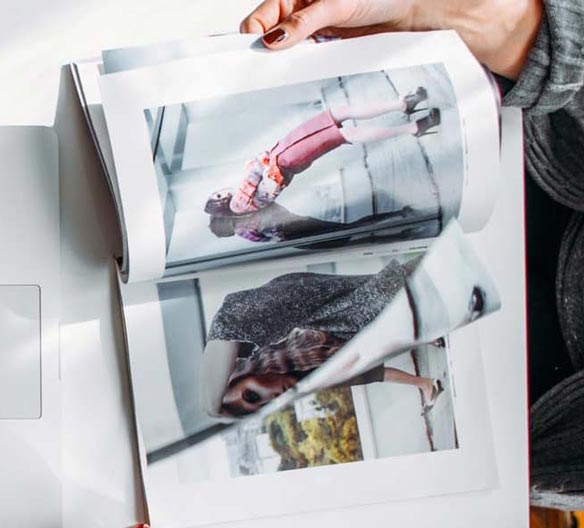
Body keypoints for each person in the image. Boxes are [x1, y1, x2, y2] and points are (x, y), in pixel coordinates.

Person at [238, 0, 583, 509]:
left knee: (348, 137)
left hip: (498, 422)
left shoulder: (298, 353)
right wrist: (469, 16)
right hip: (515, 115)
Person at [197, 259, 446, 417]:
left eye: (252, 394)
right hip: (319, 313)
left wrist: (213, 409)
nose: (270, 398)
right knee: (384, 300)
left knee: (384, 296)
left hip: (310, 301)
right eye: (261, 403)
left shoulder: (241, 323)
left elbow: (226, 323)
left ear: (241, 374)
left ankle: (438, 273)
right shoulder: (284, 365)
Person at [205, 91, 439, 216]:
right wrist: (257, 165)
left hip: (284, 150)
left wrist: (258, 164)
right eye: (217, 198)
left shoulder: (240, 199)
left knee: (339, 113)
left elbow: (257, 168)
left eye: (215, 193)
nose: (220, 193)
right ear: (220, 205)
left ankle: (402, 105)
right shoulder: (237, 205)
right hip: (286, 159)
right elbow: (261, 175)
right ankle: (413, 127)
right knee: (346, 133)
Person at [205, 201, 414, 245]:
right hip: (295, 234)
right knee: (347, 237)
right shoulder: (244, 231)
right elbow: (271, 238)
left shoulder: (244, 216)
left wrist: (282, 222)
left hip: (296, 227)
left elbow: (274, 208)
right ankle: (399, 223)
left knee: (349, 232)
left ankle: (398, 219)